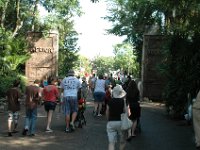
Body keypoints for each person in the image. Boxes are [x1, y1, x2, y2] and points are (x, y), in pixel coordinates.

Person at [106, 84, 127, 150]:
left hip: (111, 122)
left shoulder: (110, 101)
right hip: (121, 122)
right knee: (122, 142)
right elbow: (126, 112)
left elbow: (107, 112)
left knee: (111, 143)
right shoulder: (123, 101)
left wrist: (108, 119)